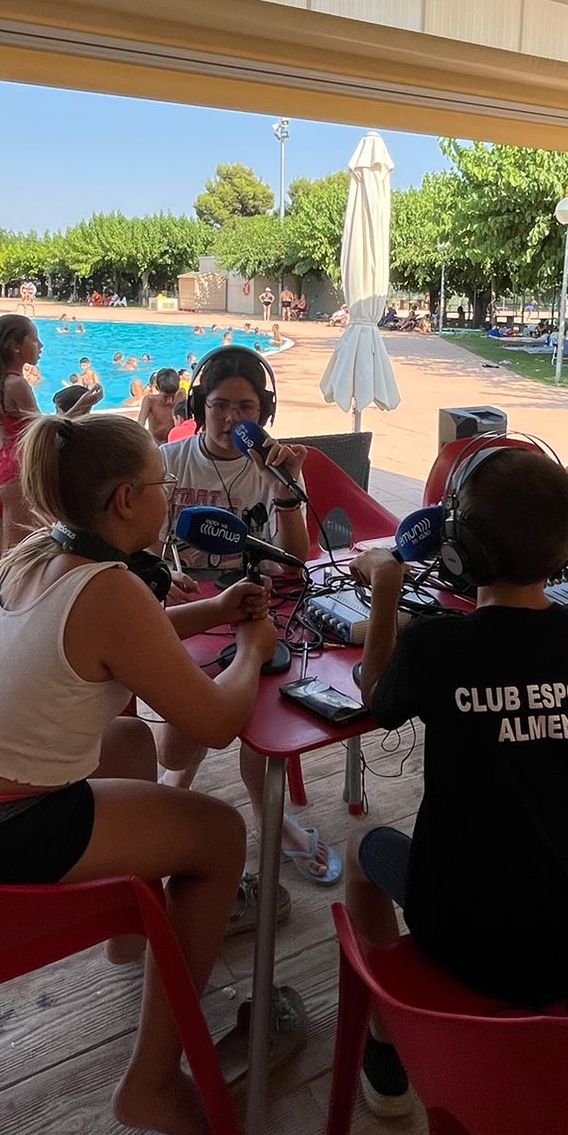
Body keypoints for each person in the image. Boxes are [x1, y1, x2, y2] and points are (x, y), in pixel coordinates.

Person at [0, 414, 280, 1135]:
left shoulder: (42, 551)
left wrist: (216, 610)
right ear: (127, 500)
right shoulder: (111, 592)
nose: (169, 498)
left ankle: (130, 935)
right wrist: (252, 650)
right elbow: (215, 725)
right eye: (162, 487)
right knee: (220, 836)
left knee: (127, 739)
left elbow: (127, 637)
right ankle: (152, 1083)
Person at [342, 446, 568, 1115]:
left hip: (470, 939)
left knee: (360, 853)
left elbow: (376, 695)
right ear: (567, 549)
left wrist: (386, 588)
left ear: (460, 551)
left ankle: (387, 1042)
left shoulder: (439, 646)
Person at [157, 347, 339, 892]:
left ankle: (269, 816)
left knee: (268, 701)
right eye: (220, 405)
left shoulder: (276, 470)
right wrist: (163, 578)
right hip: (184, 610)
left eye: (246, 408)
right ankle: (173, 791)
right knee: (182, 738)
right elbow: (138, 547)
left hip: (258, 607)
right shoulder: (167, 462)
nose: (232, 419)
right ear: (199, 406)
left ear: (265, 413)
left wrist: (286, 491)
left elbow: (295, 560)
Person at [0, 314, 44, 551]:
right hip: (17, 472)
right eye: (34, 339)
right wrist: (80, 408)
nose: (41, 345)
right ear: (16, 346)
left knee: (9, 550)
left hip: (0, 469)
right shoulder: (18, 384)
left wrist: (7, 437)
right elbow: (42, 433)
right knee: (19, 552)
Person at [137, 367, 182, 444]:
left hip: (174, 441)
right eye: (165, 397)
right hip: (156, 443)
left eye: (173, 396)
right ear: (157, 388)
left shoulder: (181, 396)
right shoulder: (150, 401)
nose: (169, 401)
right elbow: (140, 425)